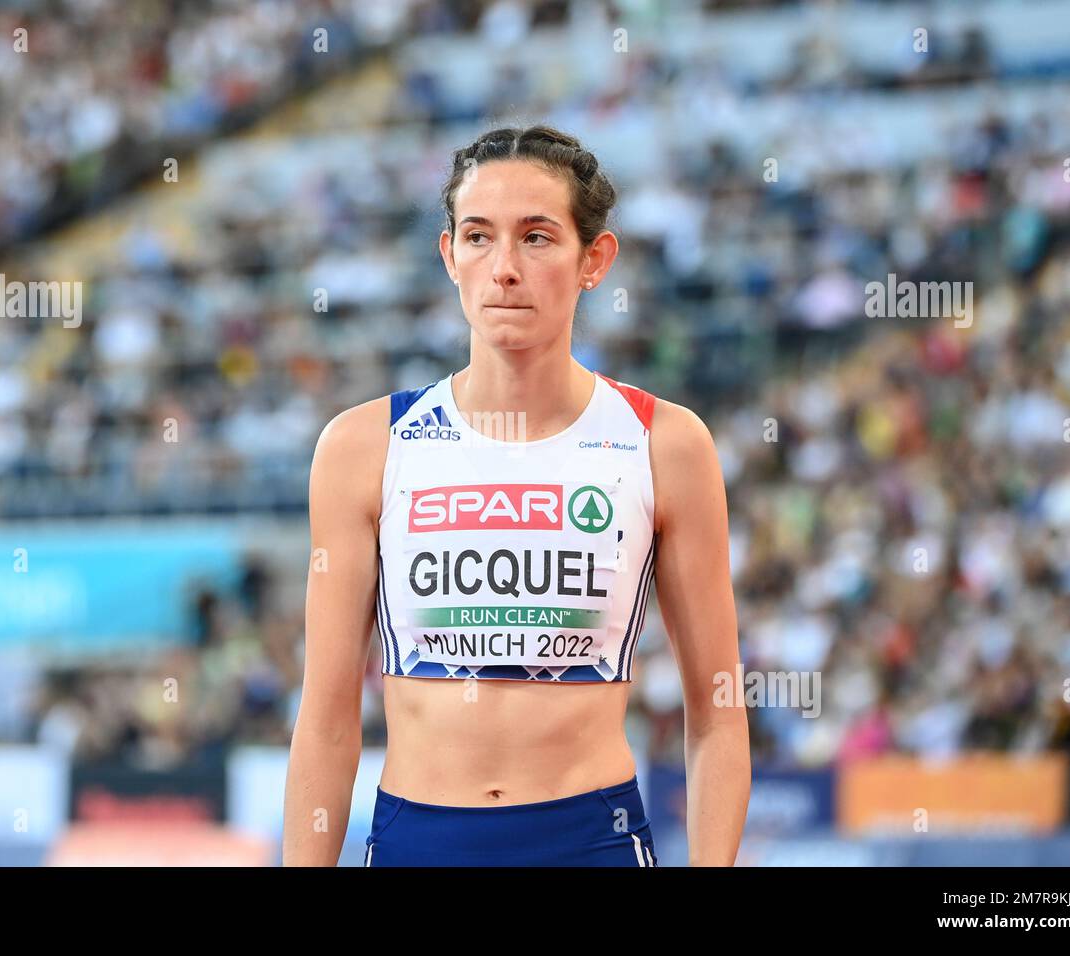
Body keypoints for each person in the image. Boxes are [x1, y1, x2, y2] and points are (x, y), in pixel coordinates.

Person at [283, 125, 749, 866]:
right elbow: (328, 717)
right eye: (478, 237)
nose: (503, 269)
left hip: (591, 840)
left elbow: (718, 712)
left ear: (594, 259)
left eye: (536, 238)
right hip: (418, 840)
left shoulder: (665, 442)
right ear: (448, 255)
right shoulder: (363, 447)